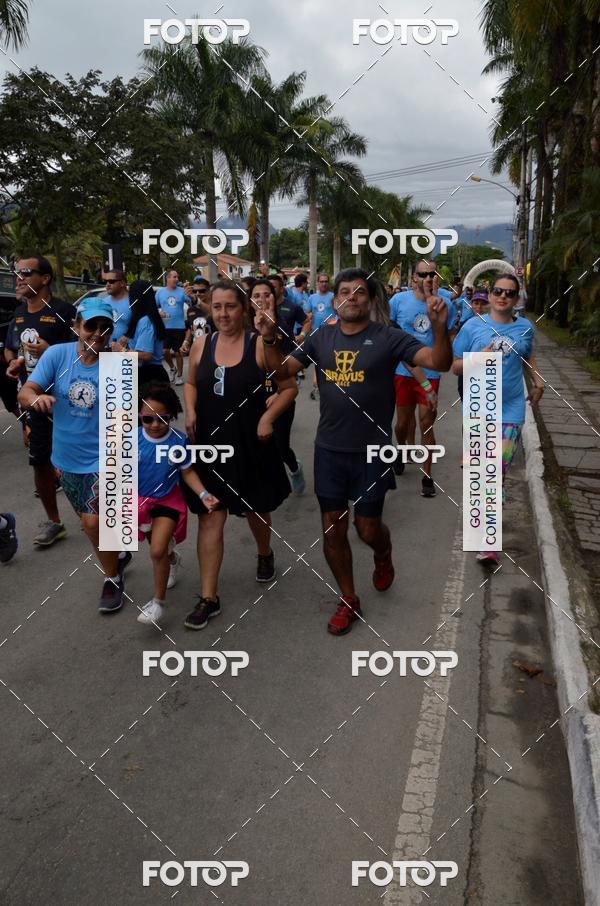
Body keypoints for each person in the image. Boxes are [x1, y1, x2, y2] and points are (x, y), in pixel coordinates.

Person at [256, 267, 452, 635]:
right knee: (332, 530)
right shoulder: (321, 337)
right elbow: (281, 373)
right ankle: (348, 598)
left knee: (367, 529)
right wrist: (268, 338)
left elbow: (438, 362)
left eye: (360, 291)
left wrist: (440, 328)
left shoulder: (389, 337)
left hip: (372, 452)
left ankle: (383, 553)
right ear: (335, 300)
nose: (352, 297)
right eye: (345, 291)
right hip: (329, 450)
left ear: (371, 299)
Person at [181, 282, 297, 630]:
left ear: (243, 309)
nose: (223, 314)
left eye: (230, 306)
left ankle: (265, 553)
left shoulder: (259, 344)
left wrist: (267, 417)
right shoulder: (201, 344)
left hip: (251, 444)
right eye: (216, 307)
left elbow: (288, 388)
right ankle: (208, 597)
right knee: (210, 515)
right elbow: (190, 382)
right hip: (210, 445)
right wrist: (190, 410)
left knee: (255, 510)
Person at [17, 299, 130, 611]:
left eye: (105, 328)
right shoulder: (58, 354)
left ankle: (112, 578)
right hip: (65, 459)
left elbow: (127, 418)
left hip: (105, 459)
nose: (97, 333)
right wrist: (35, 399)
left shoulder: (116, 363)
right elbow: (26, 391)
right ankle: (118, 555)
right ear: (77, 327)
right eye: (91, 326)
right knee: (90, 523)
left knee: (93, 524)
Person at [452, 274, 545, 564]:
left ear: (517, 298)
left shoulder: (525, 328)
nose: (503, 296)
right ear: (490, 295)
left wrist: (538, 381)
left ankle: (488, 541)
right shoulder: (472, 326)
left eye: (509, 293)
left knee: (495, 471)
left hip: (511, 409)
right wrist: (478, 356)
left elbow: (527, 356)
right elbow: (455, 367)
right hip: (478, 408)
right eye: (498, 291)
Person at [5, 256, 76, 546]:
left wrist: (52, 349)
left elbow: (85, 352)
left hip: (69, 400)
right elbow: (13, 348)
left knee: (82, 460)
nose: (19, 277)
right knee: (40, 462)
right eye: (17, 273)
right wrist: (14, 363)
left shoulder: (64, 311)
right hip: (34, 400)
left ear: (45, 278)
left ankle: (99, 515)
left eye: (26, 272)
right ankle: (55, 522)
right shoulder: (19, 313)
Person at [136, 382, 219, 625]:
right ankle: (173, 560)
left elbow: (188, 472)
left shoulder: (179, 441)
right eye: (148, 419)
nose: (154, 425)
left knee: (156, 550)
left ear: (172, 416)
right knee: (160, 549)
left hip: (168, 502)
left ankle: (157, 603)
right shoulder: (129, 438)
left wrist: (203, 494)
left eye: (162, 419)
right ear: (139, 415)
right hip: (139, 503)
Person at [391, 261, 457, 498]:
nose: (429, 278)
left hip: (431, 373)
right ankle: (401, 450)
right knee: (402, 424)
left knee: (426, 423)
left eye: (432, 274)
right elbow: (392, 338)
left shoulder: (446, 305)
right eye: (423, 274)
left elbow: (448, 338)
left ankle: (427, 476)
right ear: (414, 278)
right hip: (403, 372)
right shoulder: (398, 301)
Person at [250, 279, 306, 494]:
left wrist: (280, 391)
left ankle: (294, 467)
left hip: (280, 393)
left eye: (267, 294)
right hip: (253, 396)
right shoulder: (244, 326)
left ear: (275, 297)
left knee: (281, 446)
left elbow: (289, 366)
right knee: (255, 445)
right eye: (256, 295)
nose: (262, 299)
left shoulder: (281, 325)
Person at [120, 281, 169, 384]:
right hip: (149, 374)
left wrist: (122, 350)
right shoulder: (145, 317)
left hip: (149, 376)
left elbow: (146, 355)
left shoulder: (145, 321)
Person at [304, 273, 336, 400]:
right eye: (321, 281)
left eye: (326, 281)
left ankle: (328, 382)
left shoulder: (333, 297)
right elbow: (307, 314)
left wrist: (334, 320)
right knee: (317, 358)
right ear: (317, 283)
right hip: (315, 333)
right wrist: (306, 328)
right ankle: (317, 383)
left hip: (331, 333)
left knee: (329, 357)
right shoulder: (312, 298)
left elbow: (339, 313)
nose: (324, 283)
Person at [156, 269, 188, 384]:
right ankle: (172, 368)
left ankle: (179, 376)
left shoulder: (182, 291)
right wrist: (159, 312)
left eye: (177, 277)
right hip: (165, 327)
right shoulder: (160, 292)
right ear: (168, 278)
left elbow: (192, 302)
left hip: (179, 327)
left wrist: (190, 293)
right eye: (174, 277)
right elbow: (154, 307)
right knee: (165, 351)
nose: (177, 279)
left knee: (178, 352)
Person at [180, 280, 213, 357]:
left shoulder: (216, 307)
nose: (198, 293)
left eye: (202, 291)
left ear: (209, 291)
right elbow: (190, 328)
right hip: (196, 353)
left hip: (213, 352)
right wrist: (185, 344)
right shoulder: (191, 310)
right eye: (195, 291)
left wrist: (197, 301)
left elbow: (213, 313)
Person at [99, 269, 131, 345]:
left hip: (128, 349)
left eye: (111, 281)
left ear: (122, 283)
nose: (107, 284)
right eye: (106, 281)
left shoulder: (133, 302)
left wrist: (128, 337)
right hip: (105, 348)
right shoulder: (103, 302)